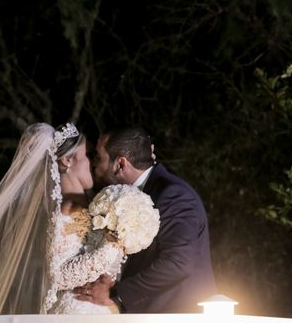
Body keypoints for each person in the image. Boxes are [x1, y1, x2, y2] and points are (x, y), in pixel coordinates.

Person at [0, 122, 125, 315]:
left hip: (103, 306)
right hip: (78, 309)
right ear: (67, 161)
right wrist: (113, 245)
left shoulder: (95, 204)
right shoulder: (64, 212)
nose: (92, 162)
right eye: (86, 156)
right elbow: (58, 275)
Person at [74, 126, 216, 313]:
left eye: (99, 158)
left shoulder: (173, 195)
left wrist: (117, 293)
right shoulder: (121, 196)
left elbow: (179, 261)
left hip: (175, 313)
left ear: (120, 164)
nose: (94, 165)